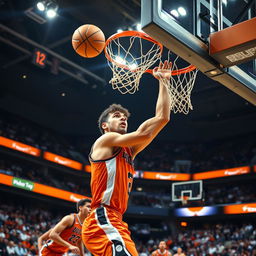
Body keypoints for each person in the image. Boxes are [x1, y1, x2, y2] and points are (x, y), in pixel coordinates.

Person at [82, 61, 172, 256]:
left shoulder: (129, 151)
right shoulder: (105, 140)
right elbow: (144, 133)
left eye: (125, 117)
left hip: (115, 219)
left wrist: (164, 82)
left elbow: (163, 118)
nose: (123, 118)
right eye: (117, 116)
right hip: (102, 217)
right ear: (105, 126)